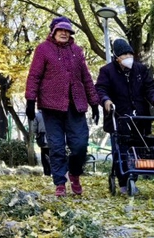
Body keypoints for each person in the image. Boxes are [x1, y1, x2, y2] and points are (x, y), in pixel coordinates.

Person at [25, 16, 101, 197]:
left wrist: (94, 103)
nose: (64, 33)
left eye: (67, 30)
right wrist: (30, 101)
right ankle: (60, 183)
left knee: (80, 145)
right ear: (53, 31)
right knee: (56, 147)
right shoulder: (43, 49)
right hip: (51, 107)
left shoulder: (77, 51)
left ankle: (74, 174)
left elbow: (87, 79)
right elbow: (34, 76)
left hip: (76, 105)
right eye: (60, 30)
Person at [95, 38, 154, 194]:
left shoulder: (141, 70)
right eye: (124, 54)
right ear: (116, 56)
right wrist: (106, 100)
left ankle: (133, 177)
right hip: (119, 118)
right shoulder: (107, 71)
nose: (128, 57)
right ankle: (124, 182)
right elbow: (100, 89)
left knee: (138, 151)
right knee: (121, 151)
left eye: (130, 54)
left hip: (140, 118)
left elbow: (150, 88)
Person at [33, 109, 51, 176]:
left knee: (44, 154)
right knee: (52, 155)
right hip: (52, 135)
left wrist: (36, 134)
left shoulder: (37, 115)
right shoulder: (52, 113)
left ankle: (46, 172)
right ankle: (52, 171)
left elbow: (34, 126)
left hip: (42, 136)